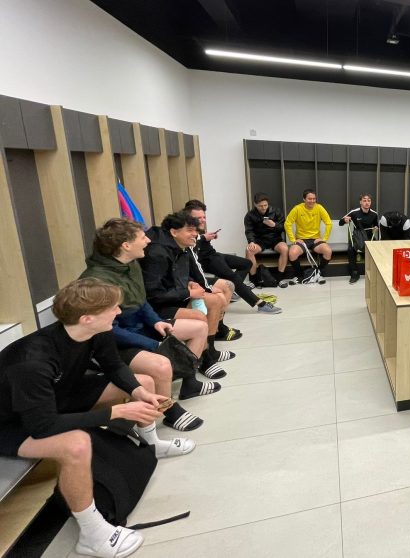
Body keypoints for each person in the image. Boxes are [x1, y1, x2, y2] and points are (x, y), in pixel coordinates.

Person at [0, 279, 193, 558]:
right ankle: (92, 534)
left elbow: (114, 365)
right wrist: (117, 412)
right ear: (87, 318)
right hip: (12, 423)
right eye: (113, 308)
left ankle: (152, 444)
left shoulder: (96, 331)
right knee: (76, 445)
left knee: (144, 382)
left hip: (58, 396)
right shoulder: (32, 362)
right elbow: (43, 426)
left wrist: (139, 393)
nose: (119, 312)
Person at [81, 218, 215, 430]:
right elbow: (107, 330)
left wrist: (156, 322)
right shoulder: (96, 281)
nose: (148, 241)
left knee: (199, 328)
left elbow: (141, 301)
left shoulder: (130, 264)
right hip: (114, 342)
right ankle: (169, 411)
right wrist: (151, 343)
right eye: (142, 237)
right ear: (126, 245)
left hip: (140, 328)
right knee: (161, 366)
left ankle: (189, 383)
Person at [140, 212, 238, 381]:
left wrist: (191, 283)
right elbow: (154, 294)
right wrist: (189, 293)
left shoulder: (180, 247)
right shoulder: (157, 253)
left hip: (174, 296)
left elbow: (179, 275)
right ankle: (204, 360)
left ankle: (209, 351)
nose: (195, 234)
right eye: (190, 230)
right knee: (201, 315)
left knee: (215, 300)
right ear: (174, 232)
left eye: (195, 230)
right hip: (157, 306)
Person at [184, 200, 282, 314]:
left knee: (246, 263)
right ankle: (260, 304)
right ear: (189, 218)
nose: (203, 220)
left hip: (213, 254)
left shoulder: (197, 228)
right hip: (206, 260)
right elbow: (191, 246)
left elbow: (200, 242)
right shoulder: (185, 230)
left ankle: (234, 290)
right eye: (198, 218)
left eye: (204, 217)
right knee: (232, 277)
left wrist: (207, 237)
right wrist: (203, 238)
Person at [285, 188, 333, 284]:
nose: (312, 201)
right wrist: (293, 240)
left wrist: (324, 239)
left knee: (328, 251)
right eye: (309, 199)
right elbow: (287, 223)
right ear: (304, 199)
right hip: (301, 240)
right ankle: (299, 275)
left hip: (315, 239)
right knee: (292, 253)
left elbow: (329, 223)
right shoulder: (297, 208)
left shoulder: (319, 208)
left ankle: (318, 274)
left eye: (314, 199)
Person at [244, 192, 289, 287]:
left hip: (275, 238)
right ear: (255, 204)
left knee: (284, 248)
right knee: (249, 250)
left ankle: (280, 278)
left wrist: (274, 225)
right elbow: (249, 231)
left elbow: (284, 227)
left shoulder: (276, 211)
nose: (264, 208)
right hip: (259, 240)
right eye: (261, 206)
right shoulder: (250, 215)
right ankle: (254, 280)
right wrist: (251, 241)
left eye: (265, 205)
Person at [339, 193, 379, 284]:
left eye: (369, 200)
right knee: (351, 249)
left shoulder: (374, 214)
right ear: (360, 202)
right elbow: (340, 223)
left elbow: (376, 225)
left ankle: (374, 272)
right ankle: (354, 273)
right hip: (357, 237)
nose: (367, 203)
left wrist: (376, 227)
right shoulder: (354, 212)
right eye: (364, 200)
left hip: (369, 237)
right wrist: (344, 220)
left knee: (376, 248)